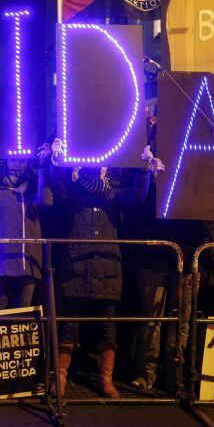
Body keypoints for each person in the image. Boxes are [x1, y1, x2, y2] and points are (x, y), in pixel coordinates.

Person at [50, 140, 158, 398]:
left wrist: (144, 169)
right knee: (69, 323)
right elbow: (58, 188)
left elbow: (137, 197)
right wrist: (56, 163)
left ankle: (105, 378)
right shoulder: (75, 187)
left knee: (108, 326)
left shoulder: (114, 190)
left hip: (107, 264)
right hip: (78, 262)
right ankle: (61, 375)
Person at [0, 139, 53, 310]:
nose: (17, 165)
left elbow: (46, 202)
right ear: (6, 161)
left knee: (23, 317)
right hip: (0, 264)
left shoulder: (33, 187)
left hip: (28, 263)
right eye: (13, 160)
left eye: (22, 160)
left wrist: (44, 168)